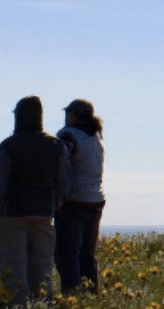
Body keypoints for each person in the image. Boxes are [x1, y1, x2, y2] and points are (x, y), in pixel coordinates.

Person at [0, 96, 67, 305]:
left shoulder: (9, 145)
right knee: (42, 266)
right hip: (43, 213)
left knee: (14, 265)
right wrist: (55, 205)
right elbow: (64, 181)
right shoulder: (56, 146)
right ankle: (43, 307)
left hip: (12, 213)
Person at [55, 99, 106, 294]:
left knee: (67, 256)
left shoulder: (68, 136)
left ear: (73, 115)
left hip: (73, 203)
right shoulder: (96, 139)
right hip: (95, 202)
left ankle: (71, 299)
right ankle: (92, 297)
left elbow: (62, 167)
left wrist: (59, 198)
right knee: (87, 256)